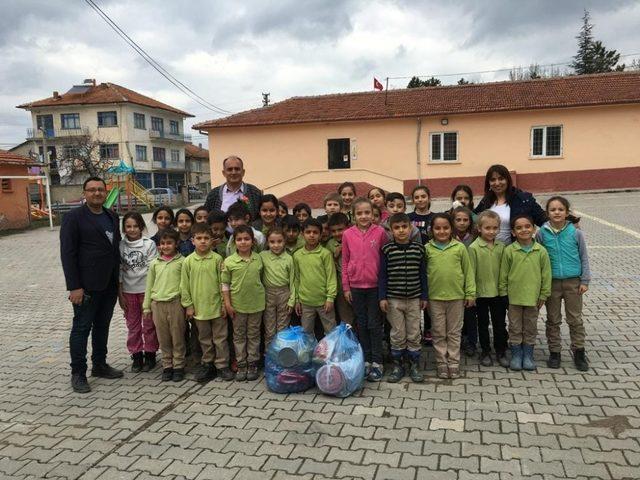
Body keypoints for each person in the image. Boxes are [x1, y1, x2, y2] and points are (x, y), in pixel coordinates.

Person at [60, 176, 124, 394]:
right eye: (92, 190)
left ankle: (100, 364)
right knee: (81, 328)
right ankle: (78, 372)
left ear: (106, 193)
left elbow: (115, 250)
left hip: (108, 284)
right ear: (84, 193)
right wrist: (74, 286)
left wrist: (118, 282)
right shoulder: (73, 218)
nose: (97, 193)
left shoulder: (112, 216)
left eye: (100, 190)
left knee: (102, 326)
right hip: (85, 286)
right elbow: (68, 254)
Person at [536, 196, 591, 371]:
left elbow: (583, 257)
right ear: (547, 213)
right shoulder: (541, 233)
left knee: (575, 318)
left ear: (567, 212)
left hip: (573, 282)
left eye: (560, 209)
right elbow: (538, 259)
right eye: (553, 210)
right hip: (551, 283)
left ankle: (579, 351)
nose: (557, 212)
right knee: (553, 319)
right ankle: (555, 352)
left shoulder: (575, 232)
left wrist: (584, 280)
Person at [342, 197, 388, 381]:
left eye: (367, 212)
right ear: (353, 215)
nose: (363, 216)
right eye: (359, 213)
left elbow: (385, 260)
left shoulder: (380, 233)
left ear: (373, 214)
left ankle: (377, 361)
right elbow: (345, 261)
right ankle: (366, 359)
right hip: (356, 287)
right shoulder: (347, 234)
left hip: (375, 287)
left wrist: (385, 287)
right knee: (361, 324)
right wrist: (346, 286)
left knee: (374, 324)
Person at [181, 223, 234, 382]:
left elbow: (223, 283)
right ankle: (208, 364)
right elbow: (184, 285)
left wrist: (224, 305)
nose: (203, 241)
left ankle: (222, 365)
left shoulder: (217, 259)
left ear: (212, 241)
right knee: (204, 339)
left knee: (220, 338)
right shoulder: (188, 261)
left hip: (217, 308)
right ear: (193, 241)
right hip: (199, 310)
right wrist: (188, 305)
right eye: (199, 238)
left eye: (206, 238)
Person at [379, 213, 428, 383]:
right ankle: (398, 365)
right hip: (394, 299)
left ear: (410, 228)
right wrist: (382, 297)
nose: (401, 231)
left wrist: (424, 296)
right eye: (397, 228)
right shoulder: (387, 250)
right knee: (398, 333)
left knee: (414, 332)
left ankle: (414, 365)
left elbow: (423, 275)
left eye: (404, 227)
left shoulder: (419, 249)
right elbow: (383, 276)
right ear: (391, 231)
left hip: (414, 298)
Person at [425, 213, 476, 379]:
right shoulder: (427, 249)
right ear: (431, 230)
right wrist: (423, 297)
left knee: (454, 332)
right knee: (439, 331)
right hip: (434, 298)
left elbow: (468, 272)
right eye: (437, 228)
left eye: (445, 228)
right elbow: (423, 275)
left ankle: (453, 362)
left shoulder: (459, 248)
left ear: (451, 229)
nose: (442, 231)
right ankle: (441, 362)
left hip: (456, 297)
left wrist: (470, 293)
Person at [499, 214, 552, 371]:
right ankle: (516, 355)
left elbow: (546, 275)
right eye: (519, 227)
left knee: (530, 326)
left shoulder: (541, 251)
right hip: (514, 298)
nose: (524, 230)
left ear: (534, 229)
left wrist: (544, 294)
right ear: (513, 232)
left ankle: (528, 355)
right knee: (515, 327)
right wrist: (503, 294)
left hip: (533, 299)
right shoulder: (509, 251)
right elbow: (503, 274)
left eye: (527, 226)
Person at [221, 225, 265, 381]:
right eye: (239, 239)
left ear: (253, 241)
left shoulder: (259, 258)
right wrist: (227, 304)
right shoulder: (229, 261)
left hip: (256, 305)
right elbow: (225, 284)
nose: (243, 242)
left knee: (253, 335)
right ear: (234, 242)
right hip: (237, 306)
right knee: (239, 336)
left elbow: (262, 279)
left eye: (247, 239)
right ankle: (241, 364)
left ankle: (253, 363)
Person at [142, 229, 186, 382]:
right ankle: (167, 365)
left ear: (176, 244)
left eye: (169, 243)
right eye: (162, 243)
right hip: (157, 304)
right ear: (159, 246)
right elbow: (149, 285)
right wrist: (146, 306)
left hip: (176, 304)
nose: (166, 246)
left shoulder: (182, 261)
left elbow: (185, 285)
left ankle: (179, 365)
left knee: (178, 336)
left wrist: (186, 304)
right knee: (163, 337)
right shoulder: (155, 263)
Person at [118, 211, 158, 373]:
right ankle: (136, 355)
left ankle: (150, 354)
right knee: (133, 326)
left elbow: (153, 270)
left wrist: (153, 294)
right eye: (128, 226)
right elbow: (119, 272)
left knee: (149, 325)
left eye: (135, 226)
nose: (132, 229)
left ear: (141, 227)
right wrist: (120, 295)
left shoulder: (149, 244)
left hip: (146, 291)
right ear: (124, 229)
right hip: (128, 292)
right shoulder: (120, 246)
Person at [469, 211, 509, 368]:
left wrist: (505, 291)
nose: (491, 231)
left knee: (500, 324)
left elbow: (505, 271)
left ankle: (501, 350)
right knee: (483, 324)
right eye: (487, 228)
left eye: (495, 228)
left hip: (498, 293)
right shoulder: (473, 248)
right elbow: (471, 272)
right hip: (481, 294)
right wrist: (471, 294)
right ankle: (485, 351)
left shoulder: (502, 247)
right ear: (479, 228)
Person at [474, 164, 546, 244]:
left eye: (501, 179)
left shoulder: (522, 199)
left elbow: (544, 220)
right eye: (493, 180)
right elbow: (474, 219)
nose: (497, 183)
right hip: (490, 251)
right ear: (489, 183)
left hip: (515, 251)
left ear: (508, 180)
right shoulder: (486, 201)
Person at [294, 218, 337, 336]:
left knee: (331, 331)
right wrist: (297, 300)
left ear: (320, 234)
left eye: (315, 232)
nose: (311, 235)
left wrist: (330, 298)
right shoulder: (297, 255)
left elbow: (331, 276)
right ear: (302, 234)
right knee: (306, 332)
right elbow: (296, 279)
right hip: (305, 302)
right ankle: (308, 354)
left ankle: (332, 354)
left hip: (324, 302)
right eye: (308, 232)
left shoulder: (325, 254)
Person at [260, 228, 296, 347]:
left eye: (279, 241)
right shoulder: (262, 256)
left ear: (284, 241)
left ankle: (281, 354)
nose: (276, 245)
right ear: (267, 242)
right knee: (269, 327)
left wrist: (292, 300)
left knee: (282, 327)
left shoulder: (289, 258)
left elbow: (293, 280)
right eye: (272, 242)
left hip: (284, 293)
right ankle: (269, 354)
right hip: (267, 293)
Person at [452, 206, 478, 358]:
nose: (462, 223)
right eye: (458, 220)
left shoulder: (474, 238)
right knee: (456, 316)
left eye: (465, 220)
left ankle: (471, 342)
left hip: (471, 281)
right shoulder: (448, 237)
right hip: (454, 283)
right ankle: (458, 340)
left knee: (470, 315)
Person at [204, 155, 262, 220]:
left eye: (237, 169)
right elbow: (206, 218)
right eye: (229, 169)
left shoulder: (255, 193)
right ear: (224, 173)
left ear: (243, 172)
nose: (233, 172)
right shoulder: (213, 194)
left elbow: (260, 218)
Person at [326, 212, 354, 327]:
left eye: (340, 229)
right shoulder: (330, 244)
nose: (337, 233)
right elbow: (328, 265)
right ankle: (348, 339)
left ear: (347, 227)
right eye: (333, 231)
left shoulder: (353, 238)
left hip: (356, 281)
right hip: (340, 283)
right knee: (345, 315)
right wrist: (335, 255)